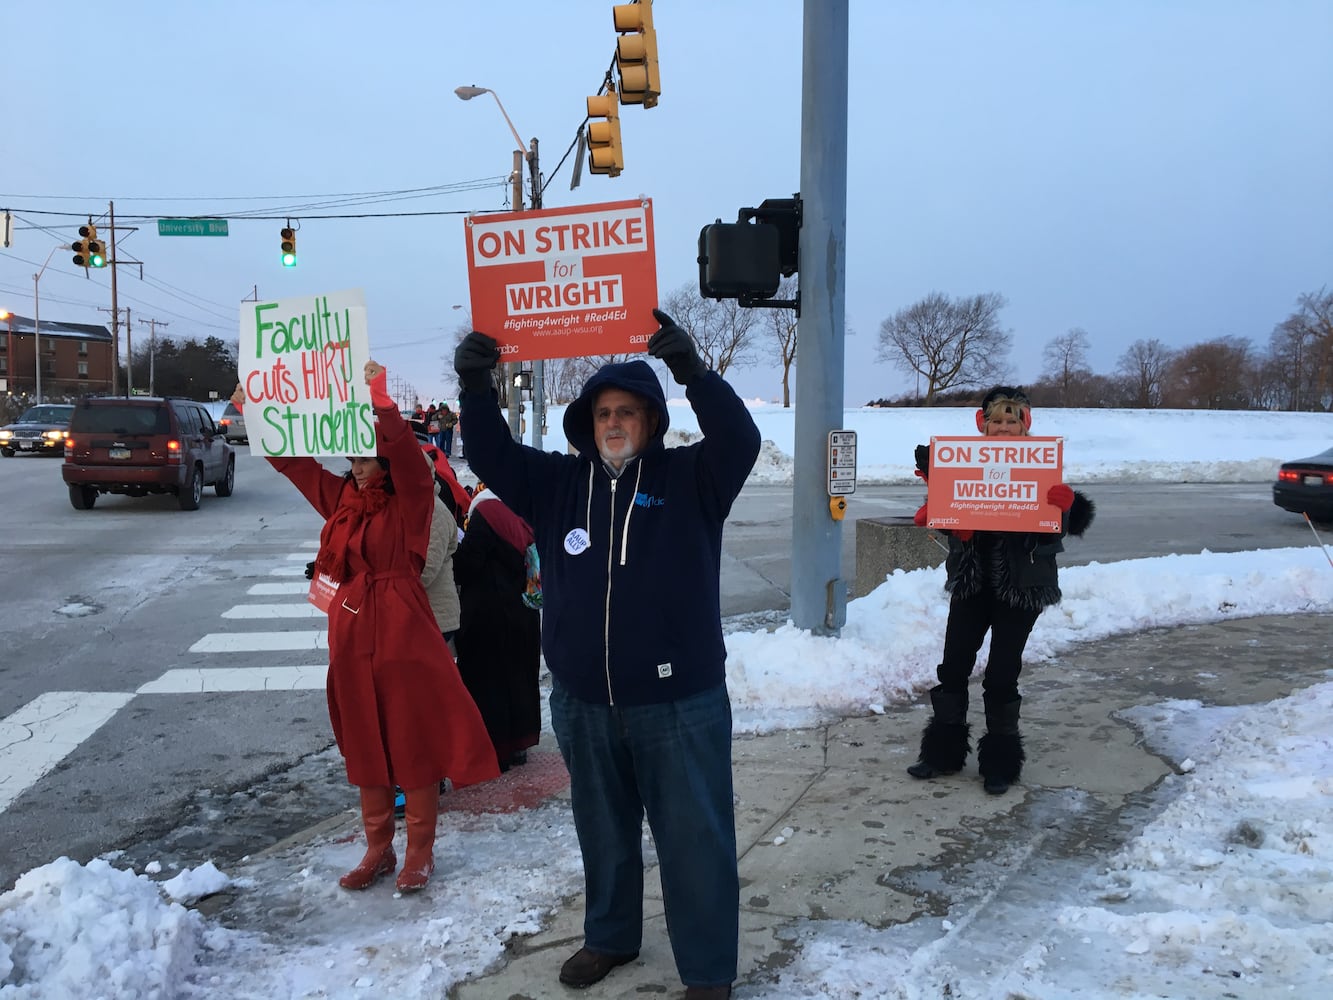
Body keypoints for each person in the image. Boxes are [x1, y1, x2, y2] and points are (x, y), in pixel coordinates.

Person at [453, 310, 760, 1000]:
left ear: (650, 421)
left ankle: (708, 972)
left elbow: (741, 438)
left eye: (627, 411)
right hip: (585, 699)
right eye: (601, 413)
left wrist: (693, 371)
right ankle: (610, 936)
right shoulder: (557, 484)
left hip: (678, 703)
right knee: (602, 829)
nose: (613, 422)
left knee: (694, 840)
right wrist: (475, 383)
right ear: (587, 424)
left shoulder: (694, 479)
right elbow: (492, 455)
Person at [229, 364, 499, 893]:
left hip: (403, 632)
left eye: (364, 459)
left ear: (384, 463)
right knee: (365, 739)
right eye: (351, 458)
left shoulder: (413, 501)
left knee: (411, 739)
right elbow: (295, 465)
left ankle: (419, 850)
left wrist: (380, 403)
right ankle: (377, 846)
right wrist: (253, 412)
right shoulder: (340, 500)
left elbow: (407, 458)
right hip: (352, 632)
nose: (355, 468)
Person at [906, 386, 1095, 795]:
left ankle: (1000, 762)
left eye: (1012, 420)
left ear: (1024, 425)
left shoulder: (1041, 464)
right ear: (984, 424)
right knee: (952, 666)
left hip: (1021, 589)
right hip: (972, 585)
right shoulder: (965, 463)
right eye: (997, 420)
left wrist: (1069, 508)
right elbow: (948, 515)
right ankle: (942, 753)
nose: (1004, 427)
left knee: (1001, 674)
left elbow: (1059, 529)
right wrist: (950, 522)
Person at [452, 486, 541, 770]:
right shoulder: (522, 511)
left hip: (488, 611)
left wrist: (453, 552)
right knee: (520, 677)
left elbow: (468, 564)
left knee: (489, 681)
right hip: (523, 610)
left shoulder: (485, 515)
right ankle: (519, 745)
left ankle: (496, 749)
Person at [419, 447, 462, 656]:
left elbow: (425, 571)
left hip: (435, 617)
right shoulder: (414, 508)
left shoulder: (434, 511)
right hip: (421, 614)